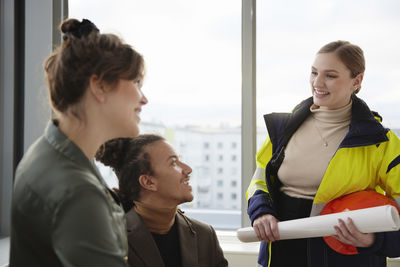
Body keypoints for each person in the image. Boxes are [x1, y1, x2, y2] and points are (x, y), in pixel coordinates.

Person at [246, 40, 400, 267]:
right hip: (282, 252)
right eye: (314, 72)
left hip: (347, 259)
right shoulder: (284, 129)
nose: (317, 82)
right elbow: (259, 179)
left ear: (356, 81)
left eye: (330, 75)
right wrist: (261, 212)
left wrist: (374, 239)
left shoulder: (381, 142)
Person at [10, 18, 148, 267]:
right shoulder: (78, 193)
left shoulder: (47, 151)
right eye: (137, 82)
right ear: (99, 86)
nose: (144, 98)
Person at [95, 134, 229, 267]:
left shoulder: (205, 235)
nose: (188, 169)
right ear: (148, 182)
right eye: (173, 163)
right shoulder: (111, 240)